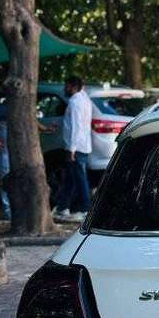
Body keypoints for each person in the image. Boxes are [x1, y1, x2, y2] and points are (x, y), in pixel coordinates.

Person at [0, 97, 56, 222]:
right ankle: (9, 211)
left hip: (19, 151)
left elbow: (32, 120)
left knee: (19, 179)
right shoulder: (2, 108)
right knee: (6, 179)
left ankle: (20, 209)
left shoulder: (19, 109)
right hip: (6, 152)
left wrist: (44, 128)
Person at [53, 76, 92, 222]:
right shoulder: (85, 99)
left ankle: (85, 209)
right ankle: (62, 207)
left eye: (66, 86)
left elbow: (76, 127)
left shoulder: (75, 102)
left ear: (72, 86)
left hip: (76, 147)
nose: (65, 89)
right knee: (70, 178)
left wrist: (71, 149)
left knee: (79, 179)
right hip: (82, 145)